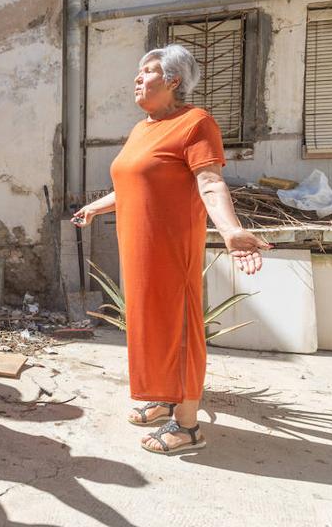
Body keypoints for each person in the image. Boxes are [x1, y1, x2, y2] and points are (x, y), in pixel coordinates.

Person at [73, 45, 270, 455]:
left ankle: (188, 426)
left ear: (174, 81)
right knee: (149, 326)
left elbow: (211, 182)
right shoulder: (142, 129)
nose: (137, 79)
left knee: (179, 330)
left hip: (170, 249)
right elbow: (133, 183)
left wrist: (231, 231)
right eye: (138, 72)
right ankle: (163, 400)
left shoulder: (195, 123)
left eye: (148, 72)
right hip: (138, 251)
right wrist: (95, 207)